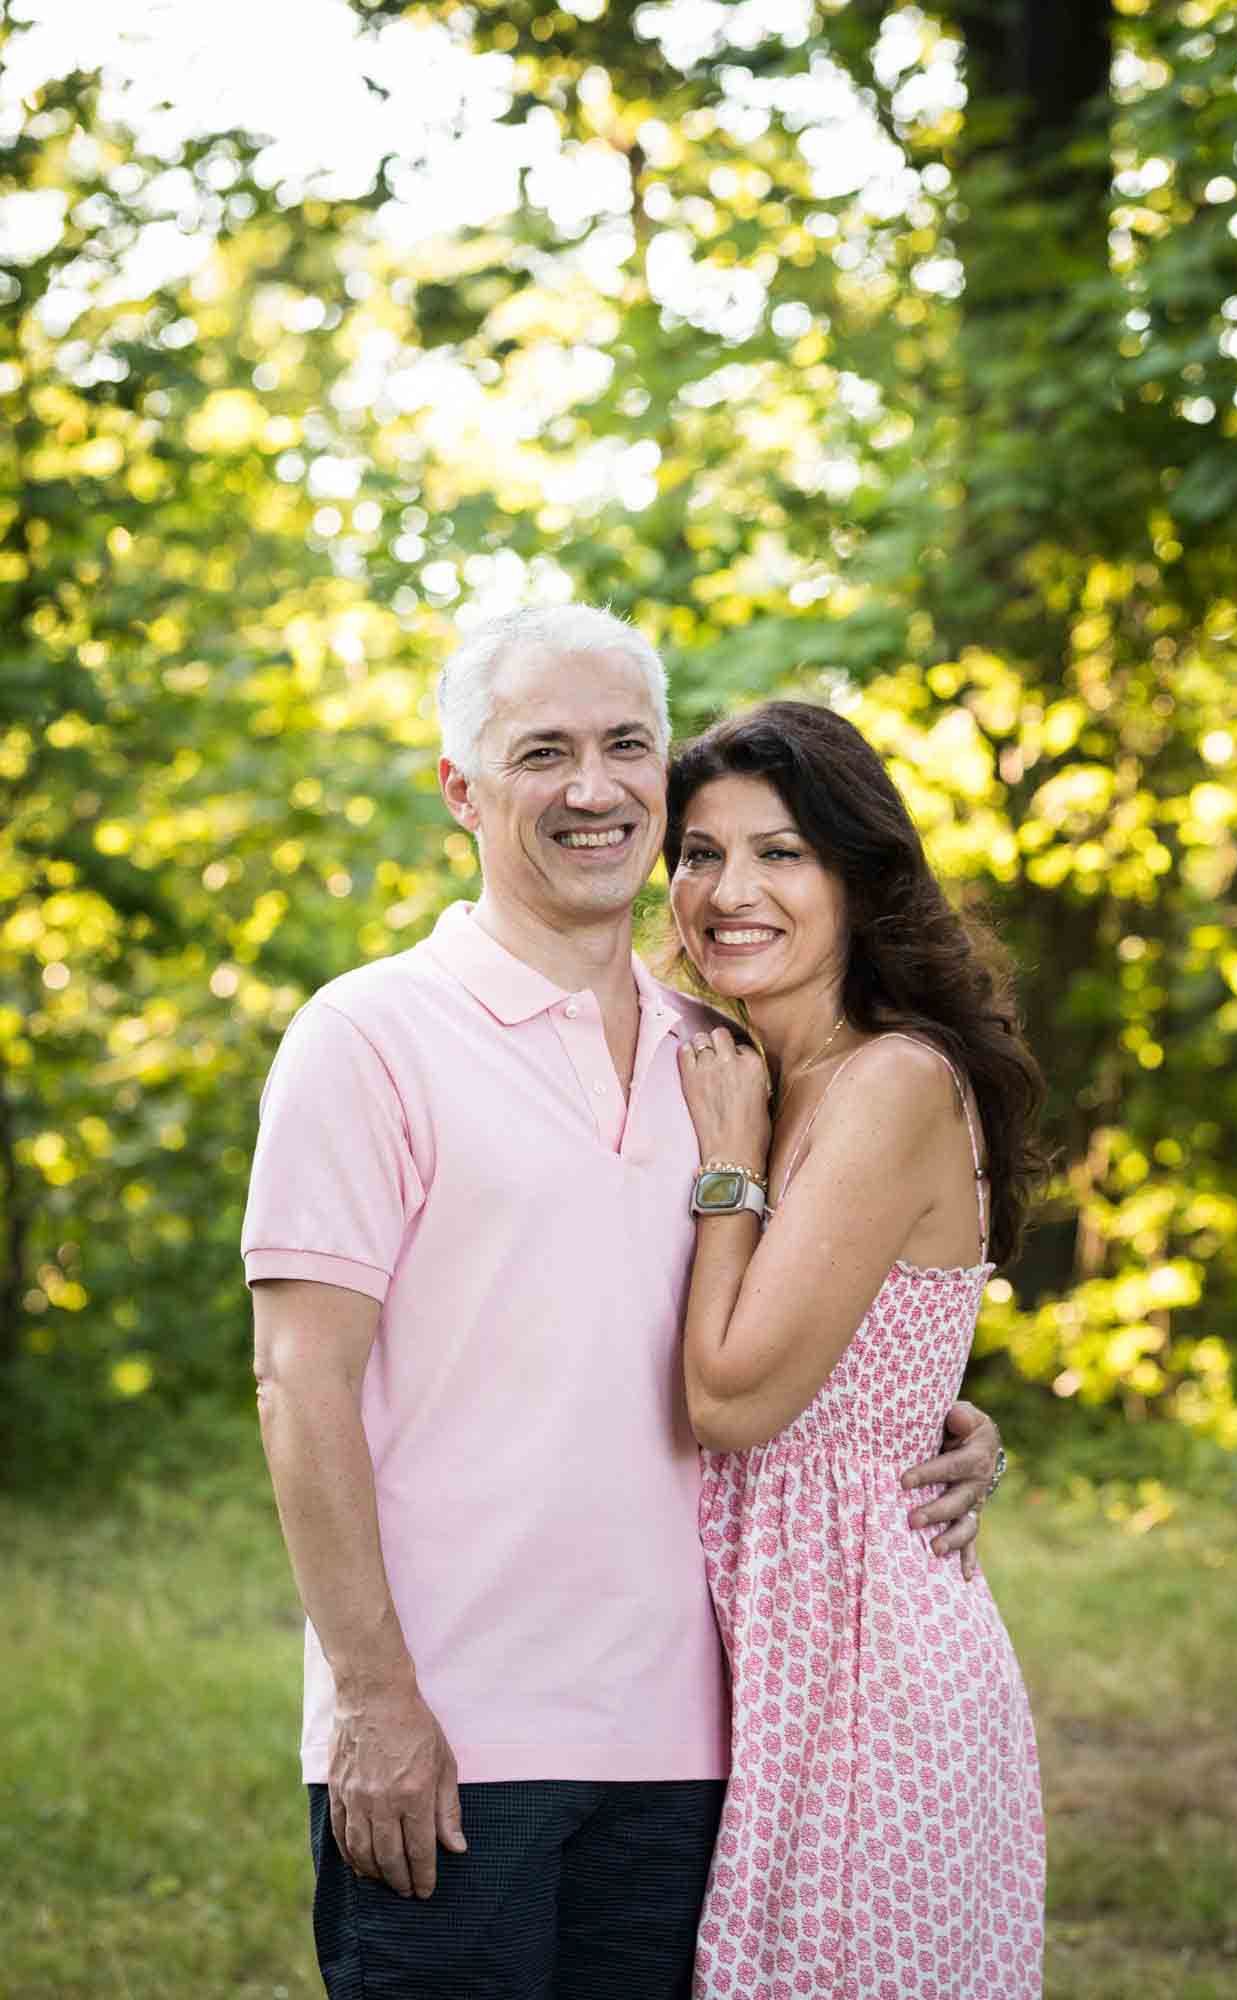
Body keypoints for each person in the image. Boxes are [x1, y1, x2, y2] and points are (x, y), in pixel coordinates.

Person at [241, 606, 1003, 2000]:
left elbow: (831, 1314)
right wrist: (373, 1705)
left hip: (709, 1742)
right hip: (458, 1740)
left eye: (624, 747)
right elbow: (299, 1388)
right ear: (463, 792)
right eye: (543, 752)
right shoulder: (367, 1036)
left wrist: (943, 1422)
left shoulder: (726, 1052)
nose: (592, 787)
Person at [663, 698, 1047, 1999]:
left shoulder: (887, 1082)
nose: (729, 889)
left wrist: (726, 1172)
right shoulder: (741, 1066)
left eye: (779, 852)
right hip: (740, 1644)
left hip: (857, 1675)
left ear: (855, 874)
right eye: (698, 854)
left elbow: (729, 1402)